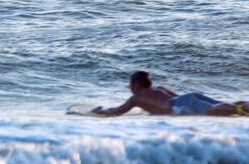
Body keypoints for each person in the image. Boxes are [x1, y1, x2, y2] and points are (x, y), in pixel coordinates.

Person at [92, 70, 249, 117]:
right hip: (186, 98)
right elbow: (178, 97)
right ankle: (243, 106)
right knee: (218, 104)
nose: (130, 88)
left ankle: (241, 110)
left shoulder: (137, 97)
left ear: (137, 85)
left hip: (180, 104)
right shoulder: (159, 89)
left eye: (130, 85)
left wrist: (99, 111)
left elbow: (117, 111)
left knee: (213, 110)